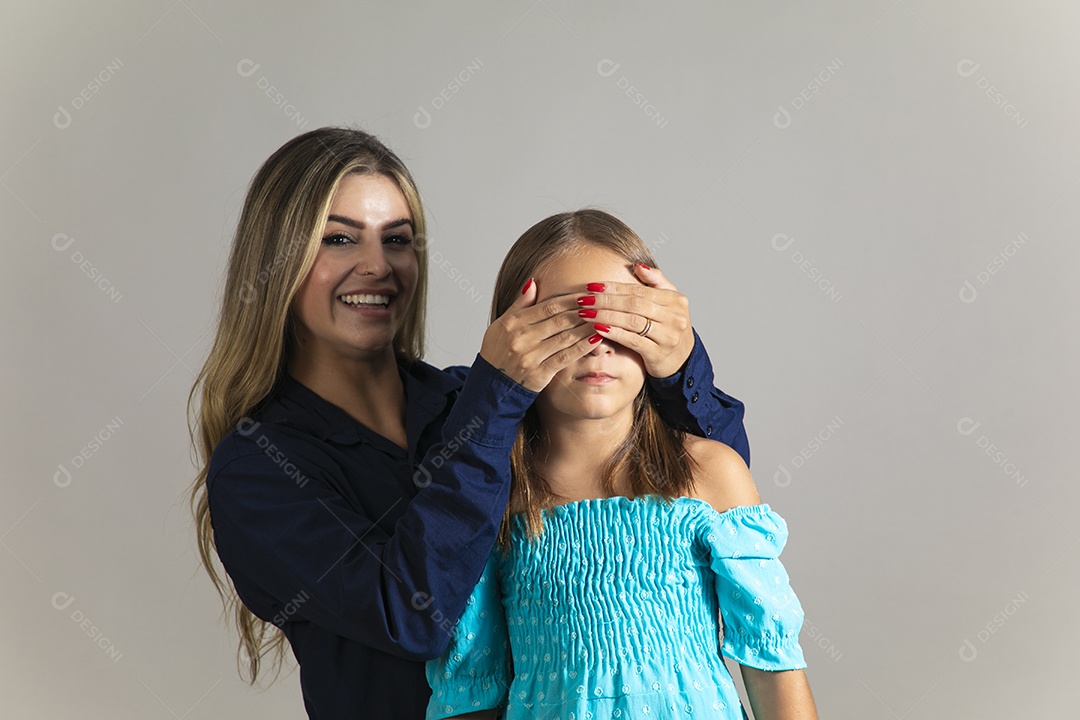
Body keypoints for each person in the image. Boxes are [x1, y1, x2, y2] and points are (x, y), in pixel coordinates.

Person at [187, 128, 750, 719]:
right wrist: (496, 398)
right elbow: (413, 616)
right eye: (339, 239)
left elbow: (713, 503)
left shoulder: (469, 401)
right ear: (277, 262)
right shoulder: (256, 471)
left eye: (396, 240)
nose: (377, 265)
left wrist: (678, 366)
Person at [426, 210, 817, 720]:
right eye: (564, 324)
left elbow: (773, 664)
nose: (598, 345)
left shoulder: (711, 473)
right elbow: (472, 688)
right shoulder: (495, 501)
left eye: (624, 319)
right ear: (512, 340)